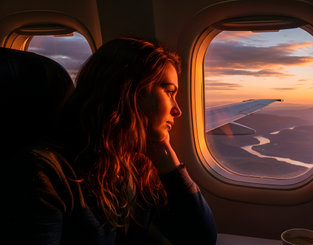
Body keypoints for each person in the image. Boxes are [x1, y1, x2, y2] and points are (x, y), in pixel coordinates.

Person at [4, 38, 217, 244]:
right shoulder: (43, 174)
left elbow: (201, 238)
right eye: (169, 92)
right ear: (129, 92)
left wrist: (168, 159)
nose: (177, 110)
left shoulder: (132, 164)